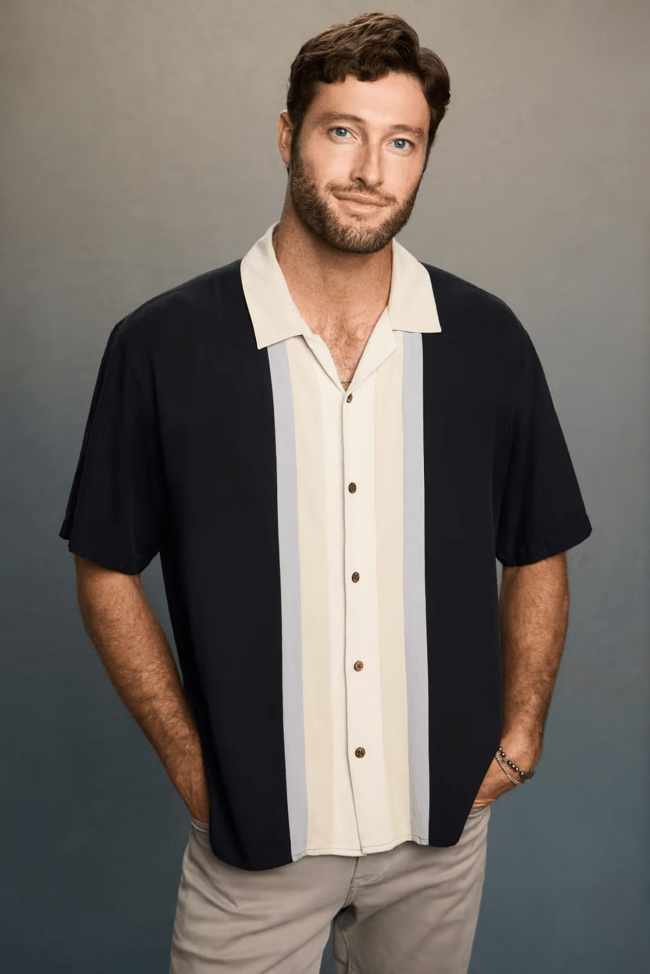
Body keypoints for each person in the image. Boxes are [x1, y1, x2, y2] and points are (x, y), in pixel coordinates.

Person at [58, 11, 592, 974]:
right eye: (342, 130)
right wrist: (191, 763)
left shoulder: (488, 341)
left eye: (403, 142)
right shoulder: (161, 346)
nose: (370, 169)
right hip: (254, 846)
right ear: (287, 135)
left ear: (424, 157)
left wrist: (520, 734)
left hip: (439, 840)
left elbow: (537, 545)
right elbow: (104, 568)